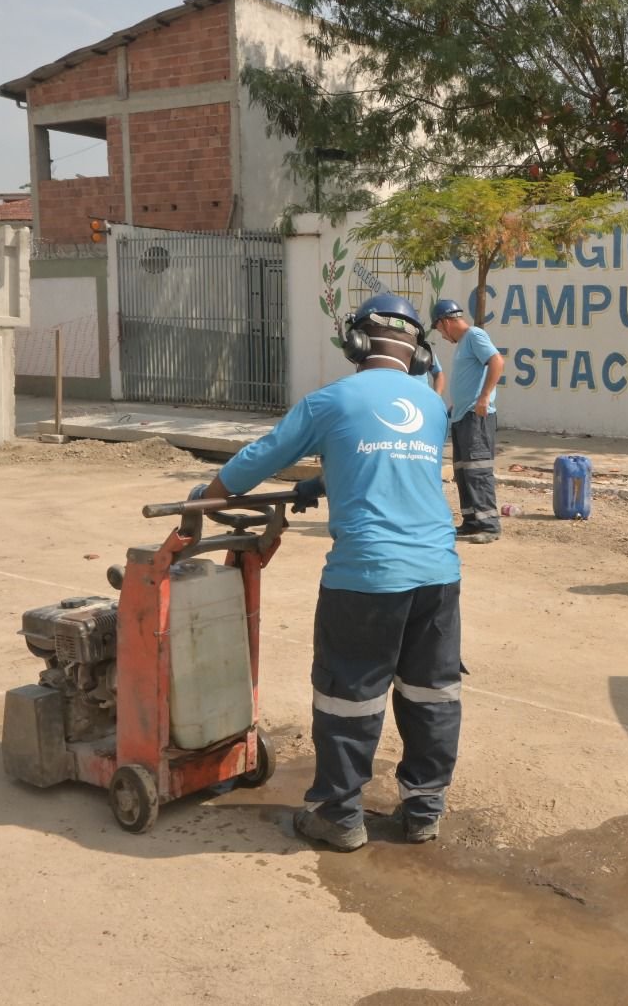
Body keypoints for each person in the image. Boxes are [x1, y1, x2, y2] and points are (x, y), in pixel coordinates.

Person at [191, 293, 463, 850]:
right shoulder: (433, 406)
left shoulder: (330, 400)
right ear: (417, 351)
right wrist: (322, 482)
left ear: (356, 343)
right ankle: (424, 809)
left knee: (349, 696)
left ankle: (338, 816)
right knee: (430, 693)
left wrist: (207, 498)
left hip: (366, 577)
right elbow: (391, 463)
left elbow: (260, 457)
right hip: (438, 574)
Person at [430, 299, 506, 545]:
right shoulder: (464, 343)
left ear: (445, 322)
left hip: (476, 416)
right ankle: (472, 521)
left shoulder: (474, 335)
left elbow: (497, 361)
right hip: (462, 416)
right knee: (463, 471)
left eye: (439, 328)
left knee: (478, 470)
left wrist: (484, 397)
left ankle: (490, 525)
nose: (442, 336)